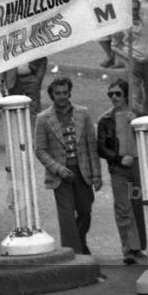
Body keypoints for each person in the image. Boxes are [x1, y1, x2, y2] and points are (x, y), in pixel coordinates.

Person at [33, 77, 103, 255]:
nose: (62, 96)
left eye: (65, 92)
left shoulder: (83, 113)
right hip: (60, 176)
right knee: (66, 218)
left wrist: (97, 175)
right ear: (52, 95)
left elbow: (91, 147)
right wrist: (57, 168)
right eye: (58, 93)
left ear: (69, 92)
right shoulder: (43, 119)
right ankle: (75, 255)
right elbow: (40, 150)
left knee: (85, 211)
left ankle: (79, 243)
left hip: (82, 172)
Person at [97, 78, 146, 265]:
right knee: (123, 208)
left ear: (126, 95)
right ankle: (128, 249)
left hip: (137, 167)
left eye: (118, 93)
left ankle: (139, 247)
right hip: (118, 170)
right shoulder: (105, 120)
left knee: (138, 205)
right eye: (111, 94)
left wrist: (137, 123)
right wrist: (118, 158)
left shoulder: (137, 115)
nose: (114, 97)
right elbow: (101, 148)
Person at [113, 0, 148, 115]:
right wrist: (127, 57)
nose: (134, 11)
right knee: (135, 92)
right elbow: (114, 46)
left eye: (136, 8)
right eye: (131, 9)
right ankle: (137, 117)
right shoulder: (122, 24)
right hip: (133, 60)